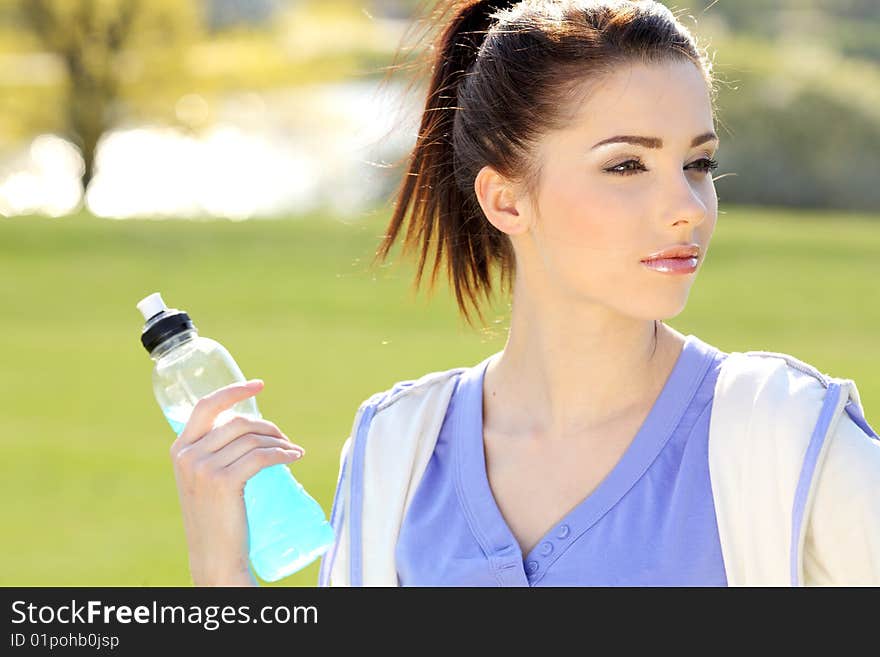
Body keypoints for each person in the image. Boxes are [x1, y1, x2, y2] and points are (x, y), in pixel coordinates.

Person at [169, 0, 880, 587]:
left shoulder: (783, 433)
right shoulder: (397, 449)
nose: (688, 206)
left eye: (697, 163)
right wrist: (219, 565)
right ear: (507, 201)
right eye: (628, 165)